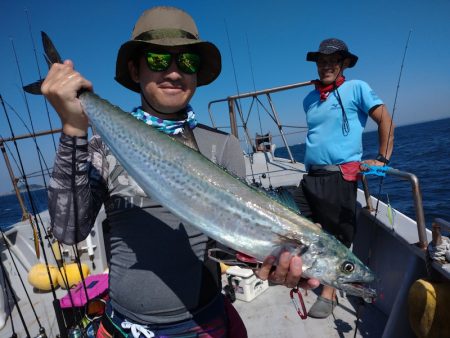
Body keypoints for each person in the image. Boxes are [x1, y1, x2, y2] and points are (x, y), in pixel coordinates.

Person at [42, 6, 318, 337]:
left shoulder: (222, 145)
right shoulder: (106, 146)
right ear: (134, 69)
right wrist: (74, 127)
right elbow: (67, 229)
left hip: (204, 321)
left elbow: (228, 241)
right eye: (159, 59)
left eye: (187, 62)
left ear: (198, 73)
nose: (174, 72)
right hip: (128, 326)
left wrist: (269, 259)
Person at [294, 38, 394, 318]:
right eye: (321, 61)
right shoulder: (309, 99)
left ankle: (329, 291)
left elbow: (385, 119)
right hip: (311, 176)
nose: (326, 66)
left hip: (340, 176)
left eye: (332, 61)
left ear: (343, 64)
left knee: (338, 235)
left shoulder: (357, 88)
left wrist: (383, 159)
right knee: (304, 225)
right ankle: (314, 273)